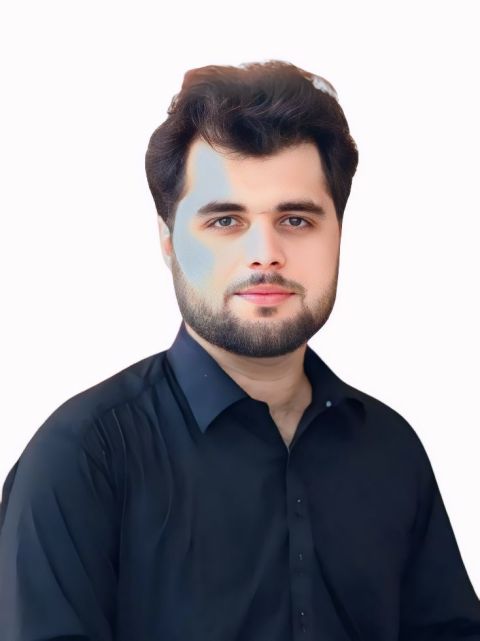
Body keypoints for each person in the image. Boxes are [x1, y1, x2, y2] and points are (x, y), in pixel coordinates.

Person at [0, 60, 479, 641]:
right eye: (226, 220)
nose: (265, 252)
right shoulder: (81, 458)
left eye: (296, 219)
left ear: (339, 233)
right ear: (168, 241)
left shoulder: (390, 448)